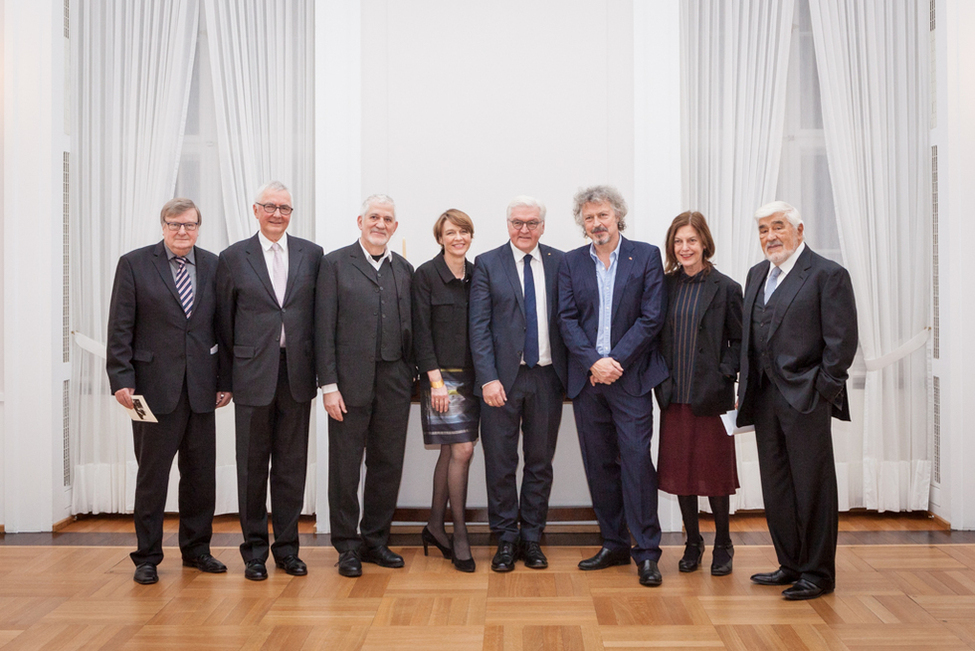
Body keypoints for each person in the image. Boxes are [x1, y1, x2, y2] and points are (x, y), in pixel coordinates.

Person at [107, 197, 232, 584]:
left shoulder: (214, 265)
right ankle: (147, 556)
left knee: (200, 476)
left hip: (201, 390)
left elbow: (223, 328)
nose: (183, 232)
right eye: (175, 224)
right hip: (151, 390)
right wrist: (121, 378)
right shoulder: (134, 264)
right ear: (162, 226)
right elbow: (120, 326)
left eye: (190, 225)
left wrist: (225, 380)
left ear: (198, 227)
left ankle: (197, 550)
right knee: (153, 477)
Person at [737, 201, 857, 600]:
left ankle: (818, 573)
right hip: (764, 398)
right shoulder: (756, 274)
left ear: (799, 230)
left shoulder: (827, 274)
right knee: (776, 486)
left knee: (814, 487)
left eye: (778, 227)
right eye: (762, 230)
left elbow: (841, 344)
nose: (770, 236)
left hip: (806, 398)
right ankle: (790, 564)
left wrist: (821, 390)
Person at [557, 185, 669, 587]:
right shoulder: (571, 263)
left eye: (602, 215)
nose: (596, 223)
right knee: (600, 465)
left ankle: (647, 552)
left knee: (637, 463)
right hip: (589, 382)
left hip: (631, 379)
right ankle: (614, 543)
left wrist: (615, 361)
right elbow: (566, 319)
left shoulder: (647, 256)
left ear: (617, 216)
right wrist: (594, 362)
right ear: (582, 224)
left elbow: (652, 317)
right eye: (588, 217)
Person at [216, 181, 323, 581]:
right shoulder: (232, 257)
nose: (277, 214)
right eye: (270, 207)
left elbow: (318, 317)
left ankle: (288, 550)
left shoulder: (312, 255)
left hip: (296, 375)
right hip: (251, 376)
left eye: (285, 208)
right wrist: (225, 379)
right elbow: (223, 324)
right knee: (252, 468)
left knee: (291, 468)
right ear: (256, 210)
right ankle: (255, 553)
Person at [316, 194, 415, 578]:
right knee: (345, 468)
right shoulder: (335, 264)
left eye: (387, 218)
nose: (380, 223)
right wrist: (328, 385)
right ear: (360, 221)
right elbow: (322, 328)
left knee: (387, 464)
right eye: (374, 216)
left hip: (394, 382)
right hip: (347, 385)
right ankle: (347, 547)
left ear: (394, 226)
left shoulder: (404, 268)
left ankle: (375, 541)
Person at [469, 195, 567, 573]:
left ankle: (532, 539)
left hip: (546, 377)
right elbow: (478, 328)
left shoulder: (562, 262)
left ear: (542, 226)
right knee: (500, 462)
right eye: (517, 222)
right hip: (501, 382)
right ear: (507, 224)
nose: (523, 230)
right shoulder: (487, 263)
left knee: (540, 463)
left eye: (531, 223)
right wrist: (488, 378)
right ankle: (506, 539)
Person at [655, 211, 742, 576]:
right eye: (678, 241)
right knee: (682, 474)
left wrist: (726, 374)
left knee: (715, 474)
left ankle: (723, 541)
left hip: (710, 396)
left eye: (691, 240)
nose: (685, 247)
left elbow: (740, 342)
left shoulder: (726, 287)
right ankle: (693, 541)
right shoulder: (664, 285)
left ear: (704, 242)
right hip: (675, 395)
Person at [411, 209, 480, 573]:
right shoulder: (425, 274)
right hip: (442, 379)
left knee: (452, 453)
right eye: (451, 232)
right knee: (464, 450)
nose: (458, 238)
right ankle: (459, 532)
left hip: (474, 377)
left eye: (464, 232)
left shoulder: (477, 273)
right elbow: (420, 332)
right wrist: (435, 382)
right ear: (440, 238)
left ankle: (434, 526)